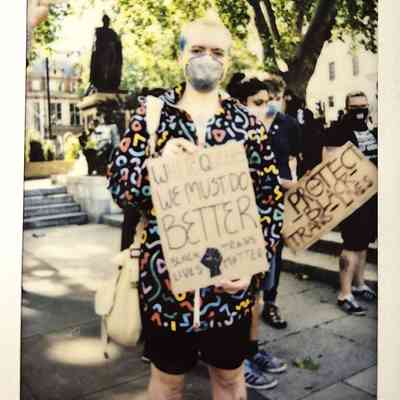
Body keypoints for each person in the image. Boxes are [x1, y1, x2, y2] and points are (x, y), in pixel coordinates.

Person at [107, 14, 284, 400]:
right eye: (198, 50)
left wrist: (255, 262)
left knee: (229, 379)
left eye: (217, 52)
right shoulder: (152, 117)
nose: (208, 58)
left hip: (230, 290)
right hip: (166, 287)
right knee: (168, 383)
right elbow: (120, 187)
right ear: (181, 56)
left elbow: (269, 201)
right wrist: (159, 166)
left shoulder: (246, 123)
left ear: (228, 61)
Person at [226, 73, 290, 390]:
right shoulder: (229, 138)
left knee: (258, 300)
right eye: (258, 103)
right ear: (239, 106)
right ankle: (239, 362)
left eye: (268, 102)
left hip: (267, 232)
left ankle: (251, 351)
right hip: (239, 234)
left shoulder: (269, 135)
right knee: (243, 301)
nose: (266, 108)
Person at [323, 91, 377, 316]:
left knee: (363, 244)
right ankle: (345, 293)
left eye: (363, 106)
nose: (360, 111)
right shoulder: (338, 131)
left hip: (371, 198)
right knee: (351, 245)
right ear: (347, 109)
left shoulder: (369, 130)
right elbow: (329, 164)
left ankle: (359, 283)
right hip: (351, 200)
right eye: (355, 107)